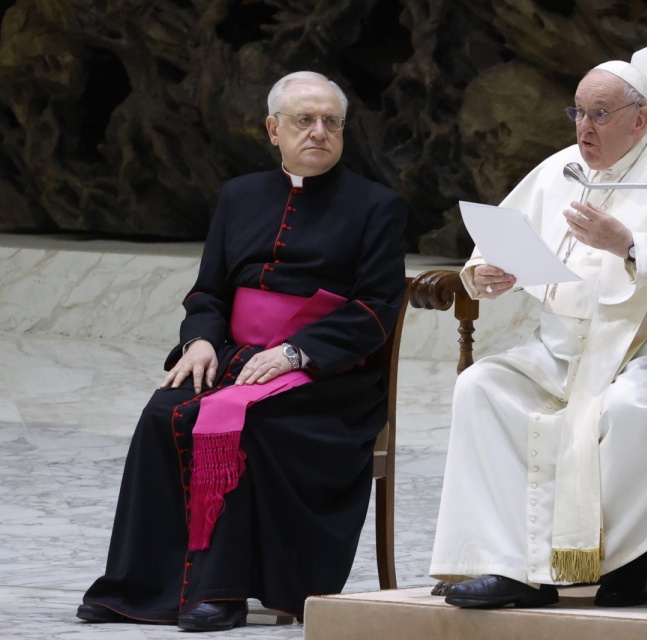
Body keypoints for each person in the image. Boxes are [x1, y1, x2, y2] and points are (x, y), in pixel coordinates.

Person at [429, 60, 647, 609]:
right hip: (562, 348)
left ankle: (631, 559)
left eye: (600, 114)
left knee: (628, 409)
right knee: (482, 389)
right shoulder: (561, 169)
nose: (584, 128)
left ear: (641, 120)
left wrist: (630, 245)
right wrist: (487, 271)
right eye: (579, 112)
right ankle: (511, 567)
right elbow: (504, 236)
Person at [77, 71, 408, 630]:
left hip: (329, 379)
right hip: (235, 358)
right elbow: (209, 291)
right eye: (304, 120)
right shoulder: (239, 196)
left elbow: (375, 308)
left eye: (333, 122)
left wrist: (297, 353)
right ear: (273, 129)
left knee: (246, 422)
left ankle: (223, 592)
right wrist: (200, 338)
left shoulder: (378, 206)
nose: (320, 132)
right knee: (163, 413)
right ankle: (139, 587)